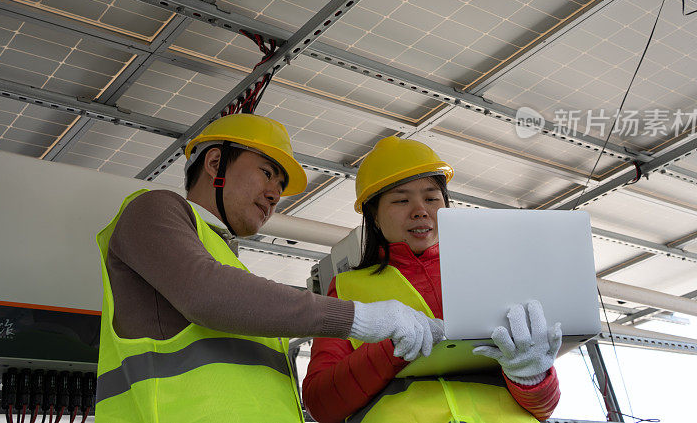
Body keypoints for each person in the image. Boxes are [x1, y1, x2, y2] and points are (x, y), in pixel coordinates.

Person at [94, 114, 443, 422]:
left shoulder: (230, 265)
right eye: (267, 173)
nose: (275, 193)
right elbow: (207, 295)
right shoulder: (153, 210)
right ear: (215, 163)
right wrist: (362, 318)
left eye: (280, 185)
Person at [302, 136, 562, 423]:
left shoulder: (492, 273)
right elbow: (320, 404)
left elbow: (543, 408)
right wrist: (392, 349)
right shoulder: (347, 288)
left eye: (431, 198)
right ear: (373, 216)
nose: (420, 210)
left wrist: (532, 376)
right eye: (401, 200)